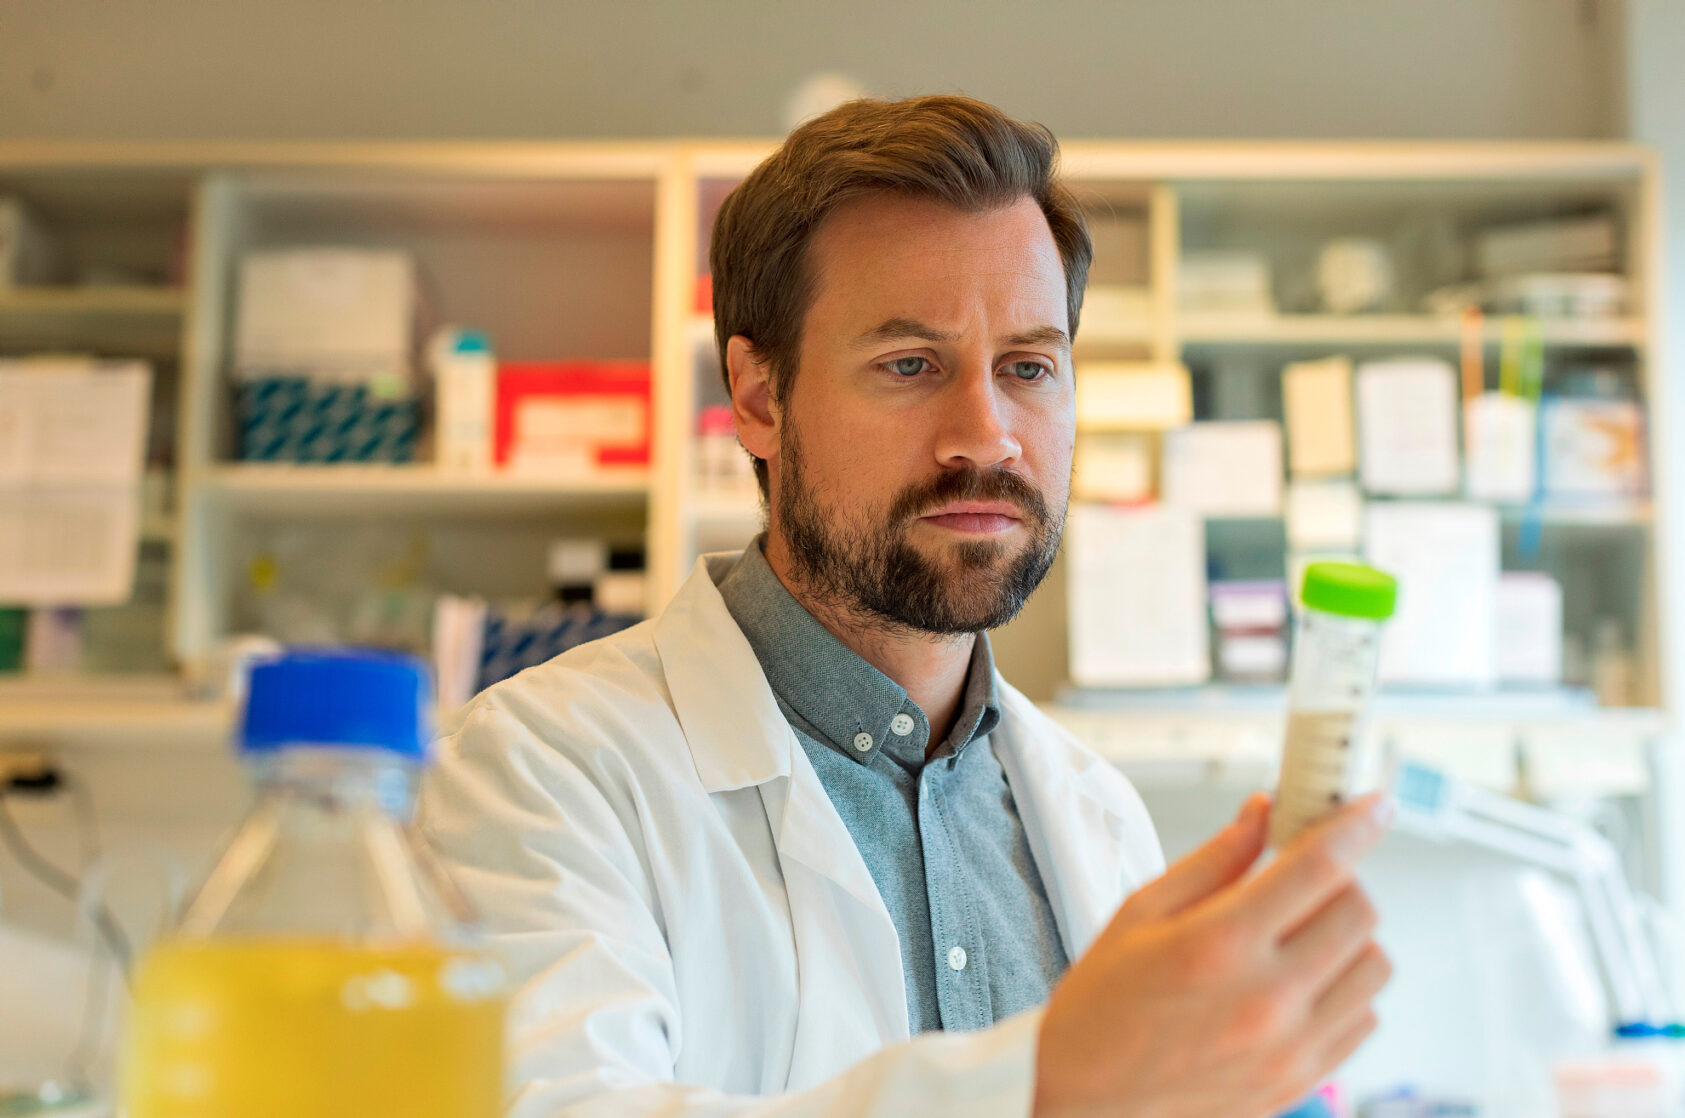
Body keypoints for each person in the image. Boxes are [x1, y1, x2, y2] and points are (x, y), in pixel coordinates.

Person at [419, 94, 1394, 1118]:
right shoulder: (542, 770)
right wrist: (1052, 1078)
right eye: (908, 364)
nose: (986, 435)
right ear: (755, 397)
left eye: (1027, 367)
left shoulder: (1095, 813)